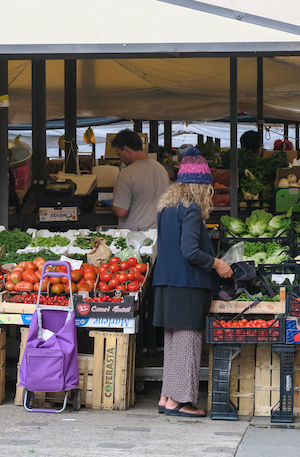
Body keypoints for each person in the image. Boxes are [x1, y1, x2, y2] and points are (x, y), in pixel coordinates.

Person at [153, 148, 233, 418]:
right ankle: (182, 400)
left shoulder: (166, 209)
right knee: (188, 342)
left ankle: (167, 397)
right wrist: (217, 263)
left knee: (173, 342)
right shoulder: (191, 210)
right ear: (202, 187)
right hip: (187, 286)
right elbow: (190, 252)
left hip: (166, 285)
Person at [111, 129, 170, 231]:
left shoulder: (127, 173)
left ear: (126, 149)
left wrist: (113, 205)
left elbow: (121, 211)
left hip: (134, 237)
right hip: (158, 234)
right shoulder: (160, 168)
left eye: (119, 155)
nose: (120, 159)